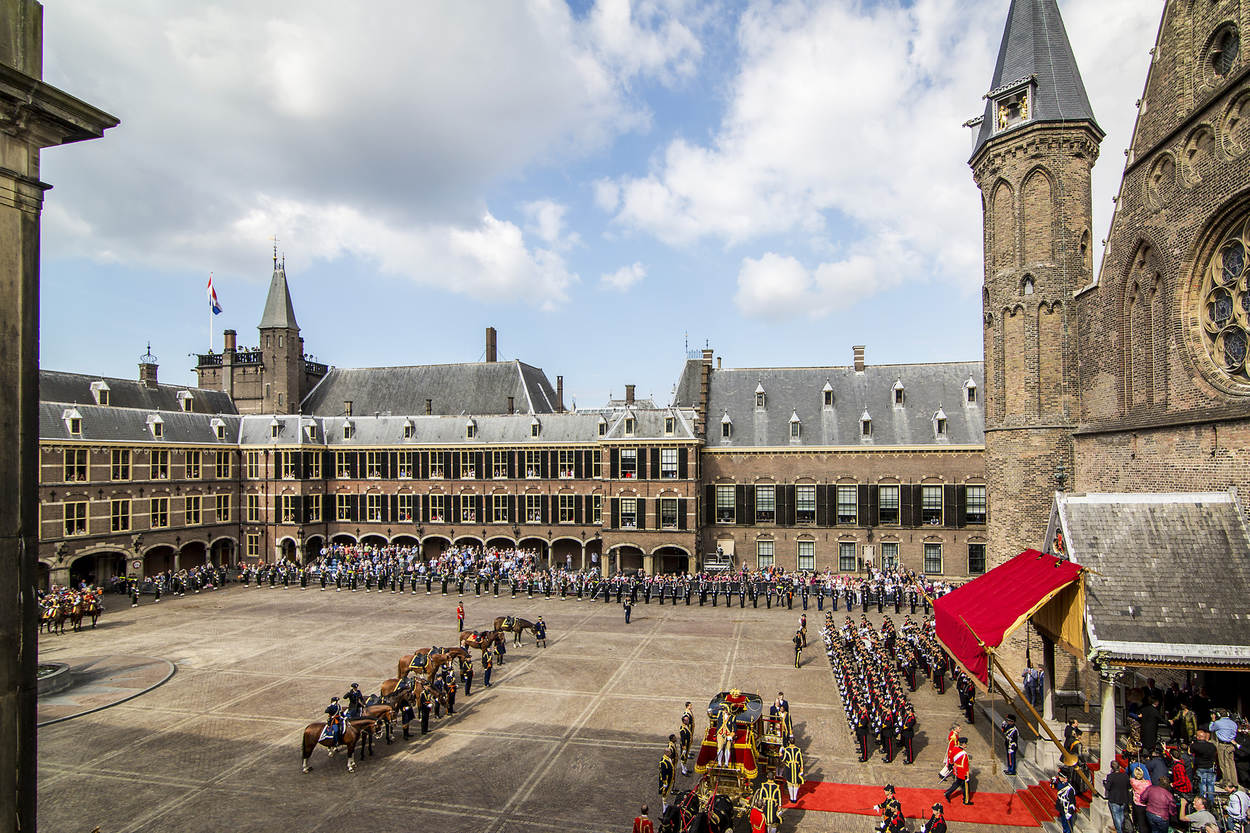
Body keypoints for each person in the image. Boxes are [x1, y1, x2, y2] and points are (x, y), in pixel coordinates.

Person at [1212, 713, 1242, 789]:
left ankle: (1227, 782)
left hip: (1223, 745)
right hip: (1231, 745)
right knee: (1232, 764)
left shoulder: (1218, 723)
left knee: (1224, 765)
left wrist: (1213, 720)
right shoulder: (1233, 723)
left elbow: (1211, 728)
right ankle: (1234, 782)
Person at [1191, 729, 1218, 807]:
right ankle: (1211, 802)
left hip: (1201, 767)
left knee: (1202, 785)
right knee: (1210, 785)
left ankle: (1203, 802)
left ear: (1198, 737)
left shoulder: (1195, 745)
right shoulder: (1211, 745)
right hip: (1210, 767)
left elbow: (1190, 752)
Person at [1104, 760, 1131, 833]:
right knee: (1121, 815)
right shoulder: (1125, 775)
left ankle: (1119, 830)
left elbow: (1108, 787)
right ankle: (1120, 829)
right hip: (1123, 798)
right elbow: (1129, 786)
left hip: (1114, 799)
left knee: (1116, 816)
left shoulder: (1110, 776)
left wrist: (1105, 783)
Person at [943, 738, 972, 805]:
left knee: (957, 783)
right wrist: (967, 775)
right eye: (966, 744)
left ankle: (948, 793)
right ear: (963, 744)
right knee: (966, 787)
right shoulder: (964, 754)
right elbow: (965, 766)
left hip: (956, 770)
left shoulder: (954, 749)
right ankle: (966, 801)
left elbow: (951, 759)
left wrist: (952, 765)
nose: (966, 745)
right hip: (962, 772)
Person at [679, 703, 694, 776]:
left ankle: (685, 768)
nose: (688, 721)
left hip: (687, 744)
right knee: (683, 758)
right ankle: (683, 770)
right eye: (687, 720)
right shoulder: (683, 729)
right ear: (684, 721)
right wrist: (684, 747)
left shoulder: (686, 726)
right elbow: (682, 739)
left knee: (685, 758)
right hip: (684, 745)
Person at [658, 750, 675, 814]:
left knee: (667, 793)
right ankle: (664, 809)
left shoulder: (668, 759)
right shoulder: (663, 762)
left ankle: (665, 804)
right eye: (670, 752)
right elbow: (663, 773)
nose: (671, 753)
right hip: (666, 781)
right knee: (664, 794)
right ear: (666, 753)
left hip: (669, 779)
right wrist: (665, 782)